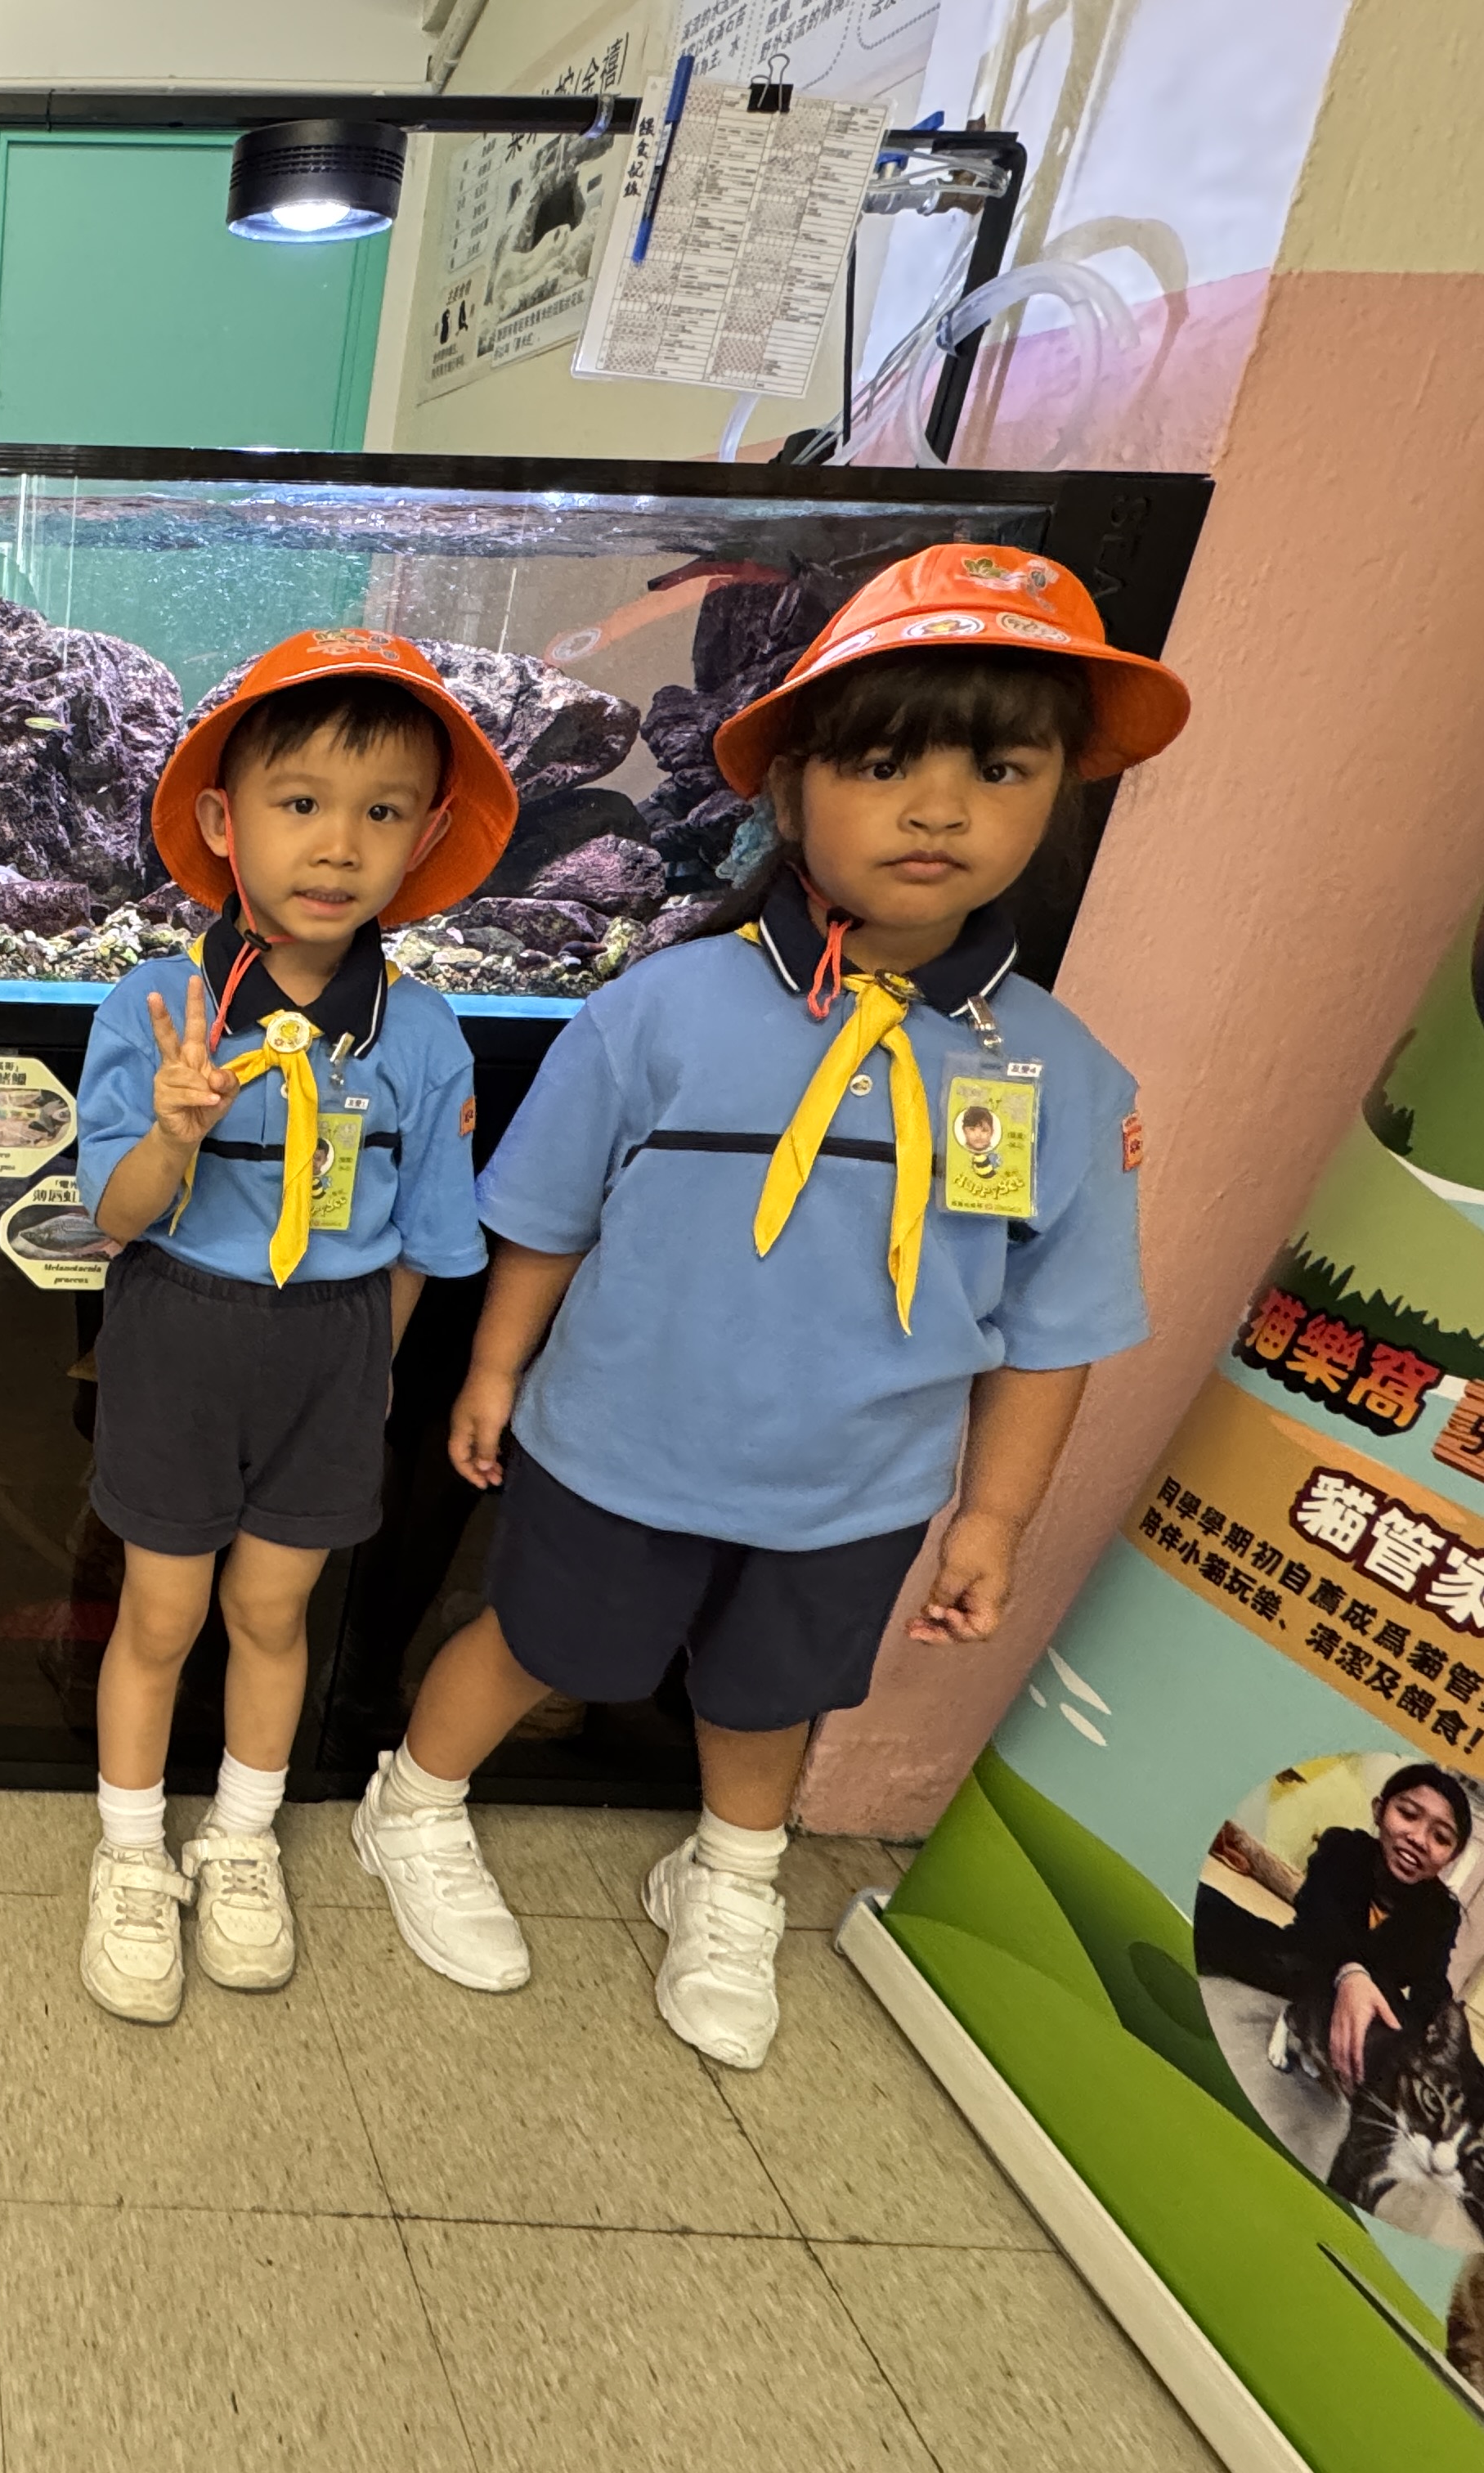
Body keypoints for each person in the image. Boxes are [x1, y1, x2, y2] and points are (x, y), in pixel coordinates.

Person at [358, 545, 1190, 2070]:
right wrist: (491, 1372)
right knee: (537, 1637)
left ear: (1059, 794)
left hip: (856, 1487)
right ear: (792, 788)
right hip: (616, 1447)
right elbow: (545, 1215)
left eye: (997, 768)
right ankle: (411, 1799)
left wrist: (993, 1517)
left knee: (770, 1692)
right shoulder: (657, 1007)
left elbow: (1052, 1326)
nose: (937, 808)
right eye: (882, 764)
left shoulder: (1062, 1074)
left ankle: (731, 1876)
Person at [67, 631, 509, 2023]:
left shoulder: (421, 1034)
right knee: (160, 1610)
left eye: (381, 811)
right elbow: (115, 1215)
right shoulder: (154, 1004)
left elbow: (427, 1238)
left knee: (272, 1609)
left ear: (424, 837)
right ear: (222, 819)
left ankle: (243, 1838)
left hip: (335, 1346)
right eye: (300, 801)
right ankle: (129, 1851)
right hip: (178, 1334)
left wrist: (370, 1368)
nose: (337, 844)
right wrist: (174, 1132)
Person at [1199, 1765, 1473, 2094]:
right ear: (1379, 1810)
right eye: (1408, 1814)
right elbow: (1319, 1916)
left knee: (1404, 2030)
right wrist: (1350, 1973)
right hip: (1302, 1959)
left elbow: (1431, 1984)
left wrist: (1441, 2038)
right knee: (1217, 1923)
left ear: (1452, 1856)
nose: (1418, 1839)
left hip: (1371, 1997)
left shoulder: (1441, 1912)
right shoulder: (1343, 1848)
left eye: (1440, 1837)